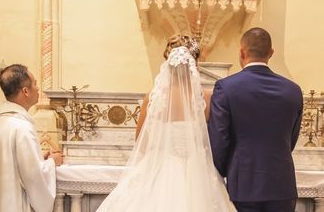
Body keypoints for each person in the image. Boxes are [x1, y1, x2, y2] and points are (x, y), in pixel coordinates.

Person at [96, 35, 235, 212]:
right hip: (198, 174)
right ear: (195, 64)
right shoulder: (206, 98)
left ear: (168, 63)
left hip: (160, 169)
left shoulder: (153, 97)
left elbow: (141, 141)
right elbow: (214, 138)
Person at [208, 28, 304, 212]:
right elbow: (290, 139)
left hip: (243, 184)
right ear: (271, 53)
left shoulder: (226, 88)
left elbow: (219, 140)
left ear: (242, 52)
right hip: (282, 184)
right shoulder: (293, 91)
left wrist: (225, 172)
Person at [0, 64, 64, 212]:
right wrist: (52, 162)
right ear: (25, 91)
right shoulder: (22, 127)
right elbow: (34, 178)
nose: (38, 88)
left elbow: (9, 162)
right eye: (35, 84)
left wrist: (40, 158)